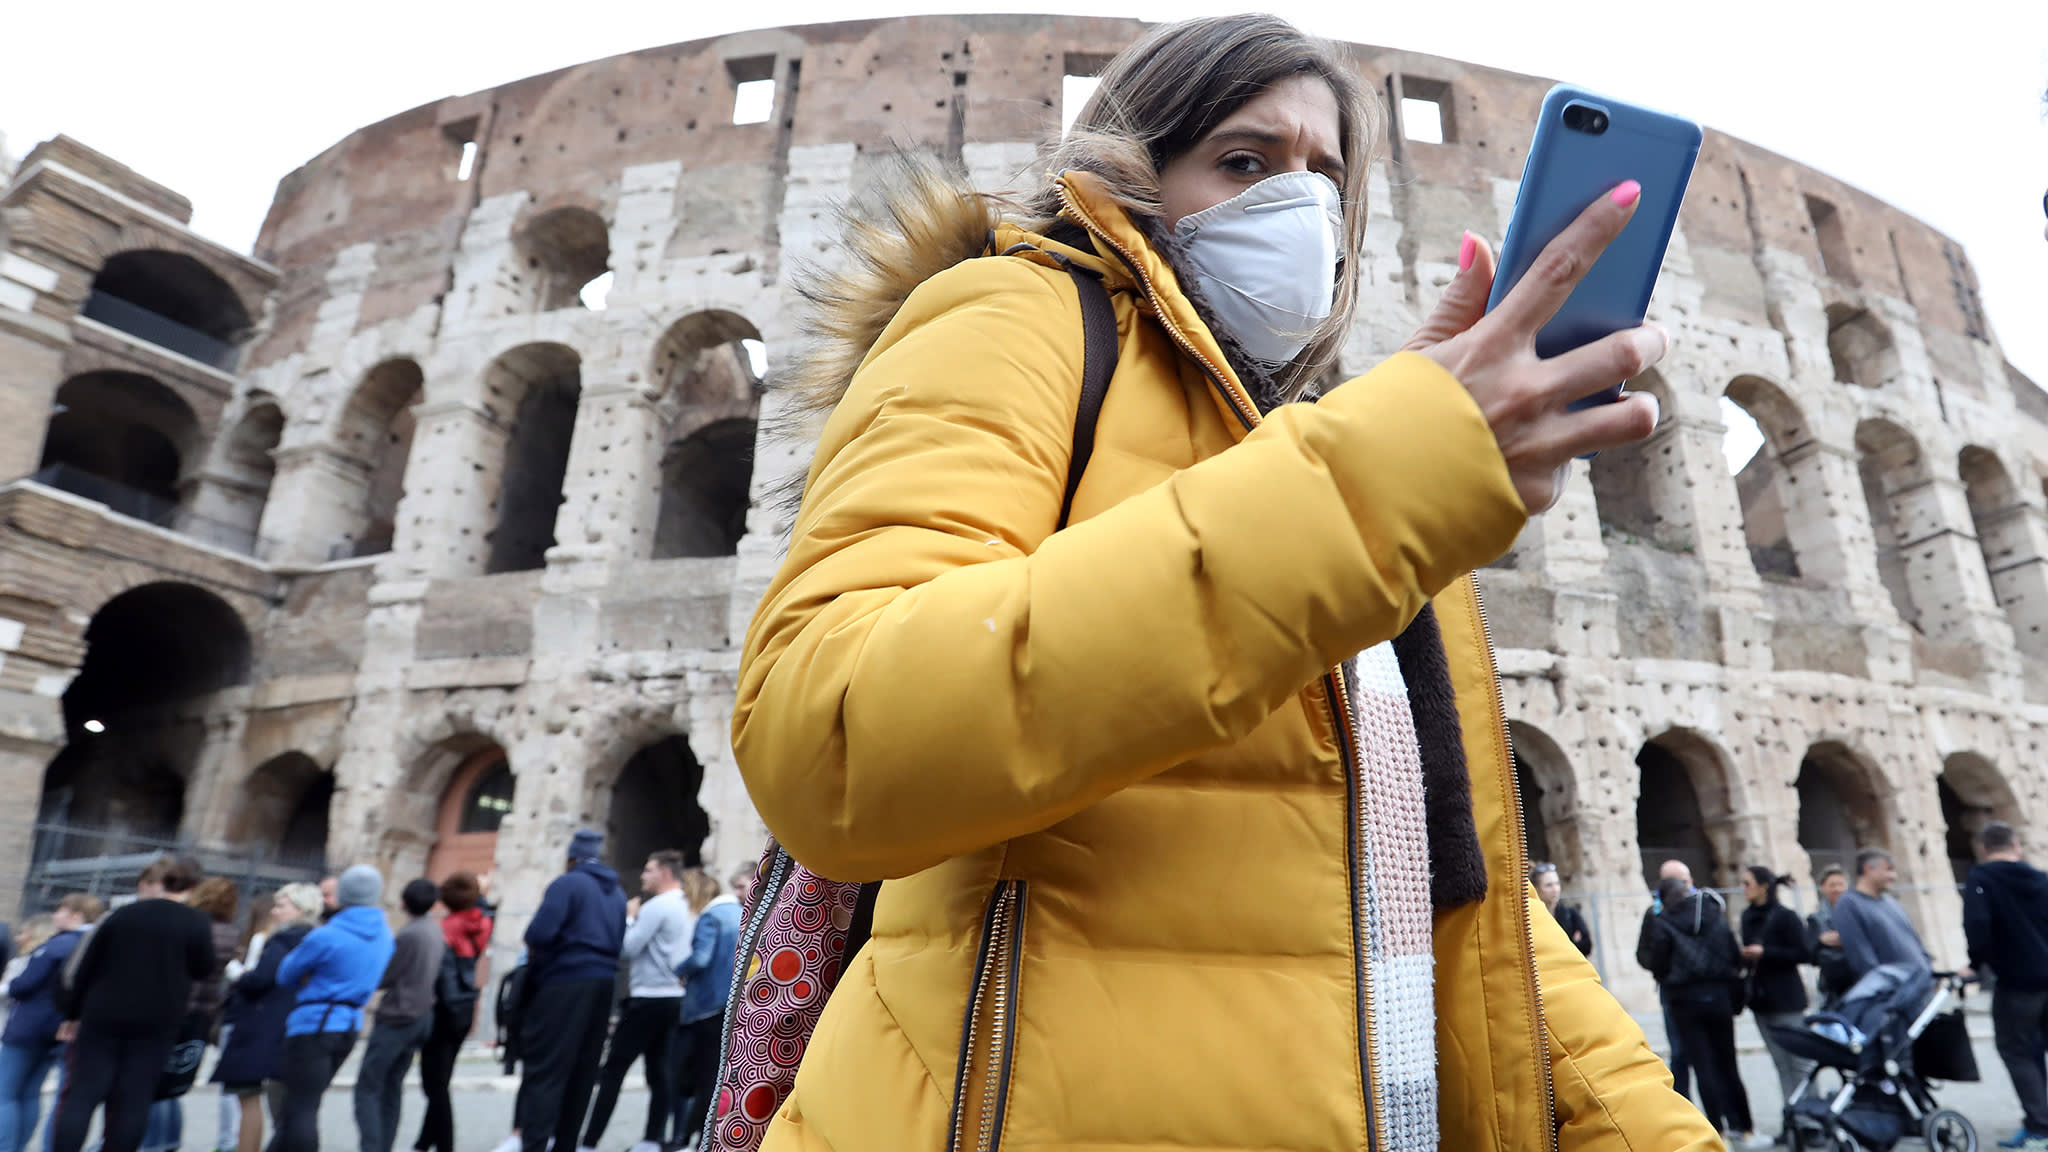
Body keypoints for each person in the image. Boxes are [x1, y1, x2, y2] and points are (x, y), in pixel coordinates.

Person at [729, 12, 1703, 1149]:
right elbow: (832, 740)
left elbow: (1447, 900)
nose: (1293, 205)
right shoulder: (1014, 315)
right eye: (1243, 161)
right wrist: (1386, 469)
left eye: (1322, 178)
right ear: (1137, 164)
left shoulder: (1312, 453)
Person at [50, 855, 215, 1152]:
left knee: (83, 1093)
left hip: (104, 1011)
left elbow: (87, 967)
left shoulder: (123, 915)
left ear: (161, 882)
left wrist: (72, 1014)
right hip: (158, 1018)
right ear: (193, 888)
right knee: (133, 1099)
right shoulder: (197, 922)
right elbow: (204, 967)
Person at [269, 865, 395, 1152]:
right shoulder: (384, 935)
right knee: (303, 1104)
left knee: (300, 1108)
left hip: (314, 1023)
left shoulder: (326, 935)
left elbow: (286, 974)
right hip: (350, 1023)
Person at [514, 830, 625, 1152]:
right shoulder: (616, 892)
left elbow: (540, 933)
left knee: (546, 1069)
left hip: (565, 981)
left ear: (571, 858)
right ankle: (566, 1145)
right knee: (583, 1071)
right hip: (603, 985)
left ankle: (534, 1144)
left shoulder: (567, 884)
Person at [1641, 875, 1767, 1148]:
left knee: (1703, 1066)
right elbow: (1734, 955)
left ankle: (1717, 1132)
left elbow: (1659, 963)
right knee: (1728, 1063)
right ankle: (1745, 1128)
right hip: (1719, 996)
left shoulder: (1665, 922)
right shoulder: (1714, 915)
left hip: (1684, 1000)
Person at [584, 852, 690, 1152]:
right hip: (675, 998)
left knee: (614, 1070)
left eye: (648, 870)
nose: (643, 876)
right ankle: (652, 1139)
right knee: (660, 1072)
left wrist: (629, 917)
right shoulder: (687, 904)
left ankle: (590, 1141)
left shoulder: (656, 906)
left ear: (665, 873)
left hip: (648, 998)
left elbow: (628, 947)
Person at [212, 884, 323, 1152]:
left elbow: (261, 980)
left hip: (262, 1027)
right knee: (286, 1107)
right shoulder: (316, 940)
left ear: (300, 909)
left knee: (248, 1097)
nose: (274, 911)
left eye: (282, 906)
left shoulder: (282, 940)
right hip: (294, 1026)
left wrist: (236, 973)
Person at [1962, 821, 2048, 1149]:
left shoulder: (1982, 878)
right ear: (2017, 847)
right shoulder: (2040, 879)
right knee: (2035, 1048)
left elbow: (1978, 923)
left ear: (1984, 848)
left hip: (2017, 980)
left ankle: (2040, 1126)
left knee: (2016, 1050)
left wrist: (1976, 962)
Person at [0, 895, 96, 1152]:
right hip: (62, 1027)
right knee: (31, 1093)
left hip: (30, 1027)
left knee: (5, 1093)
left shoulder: (57, 945)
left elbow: (24, 985)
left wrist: (11, 986)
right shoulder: (94, 944)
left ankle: (7, 1146)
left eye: (60, 910)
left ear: (76, 914)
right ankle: (20, 1143)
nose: (55, 916)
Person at [355, 879, 444, 1152]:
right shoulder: (434, 931)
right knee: (392, 1086)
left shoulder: (410, 935)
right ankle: (384, 1144)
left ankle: (373, 1146)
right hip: (420, 1015)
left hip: (399, 1016)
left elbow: (386, 975)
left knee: (369, 1087)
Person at [414, 871, 491, 1152]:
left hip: (444, 1009)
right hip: (465, 1006)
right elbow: (479, 906)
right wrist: (480, 891)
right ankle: (425, 1141)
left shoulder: (445, 928)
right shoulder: (481, 921)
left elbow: (441, 974)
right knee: (441, 1078)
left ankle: (445, 1144)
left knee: (434, 1083)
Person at [1635, 859, 1719, 1101]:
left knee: (1711, 1054)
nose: (1680, 888)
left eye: (1683, 882)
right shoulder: (1656, 913)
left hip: (1705, 989)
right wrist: (1665, 969)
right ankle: (1684, 1108)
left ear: (1691, 881)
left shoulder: (1705, 907)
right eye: (1672, 883)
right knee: (1680, 1052)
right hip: (1673, 991)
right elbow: (1644, 953)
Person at [670, 870, 739, 1145]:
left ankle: (687, 1136)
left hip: (706, 1004)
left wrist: (678, 969)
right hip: (728, 1003)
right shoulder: (737, 912)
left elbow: (700, 958)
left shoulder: (711, 916)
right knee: (715, 1073)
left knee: (692, 1075)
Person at [1739, 866, 1814, 1107]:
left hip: (1786, 998)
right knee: (1780, 1061)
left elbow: (1804, 953)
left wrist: (1766, 953)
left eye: (1748, 883)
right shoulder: (1747, 917)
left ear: (1763, 886)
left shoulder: (1785, 916)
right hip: (1761, 1000)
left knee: (1800, 1061)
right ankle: (1793, 1117)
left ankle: (1813, 1116)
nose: (1744, 889)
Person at [1832, 848, 1931, 985]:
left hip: (1919, 986)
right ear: (1868, 869)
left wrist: (1928, 971)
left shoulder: (1892, 903)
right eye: (1888, 869)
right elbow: (1861, 957)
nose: (1893, 876)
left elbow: (1914, 942)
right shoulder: (1849, 905)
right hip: (1894, 995)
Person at [1804, 865, 1853, 1007]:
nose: (1837, 889)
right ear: (1823, 887)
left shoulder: (1859, 914)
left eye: (1840, 884)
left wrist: (1843, 939)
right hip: (1832, 984)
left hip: (1859, 977)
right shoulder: (1816, 919)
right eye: (1832, 885)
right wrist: (1821, 941)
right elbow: (1810, 953)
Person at [1531, 862, 1592, 956]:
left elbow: (1586, 946)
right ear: (1536, 888)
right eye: (1548, 885)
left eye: (1557, 883)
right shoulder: (1531, 917)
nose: (1555, 889)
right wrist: (1572, 943)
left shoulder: (1570, 913)